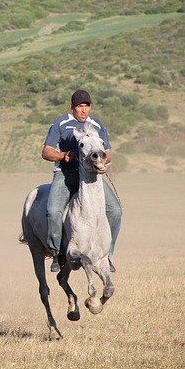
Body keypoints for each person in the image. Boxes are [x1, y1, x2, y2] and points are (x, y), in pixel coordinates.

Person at [41, 89, 122, 273]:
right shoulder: (61, 123)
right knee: (53, 210)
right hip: (65, 174)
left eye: (87, 106)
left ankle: (106, 255)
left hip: (92, 177)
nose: (83, 110)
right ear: (72, 107)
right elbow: (46, 152)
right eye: (79, 106)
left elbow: (107, 152)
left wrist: (103, 162)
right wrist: (64, 155)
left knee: (116, 210)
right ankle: (56, 253)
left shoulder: (98, 125)